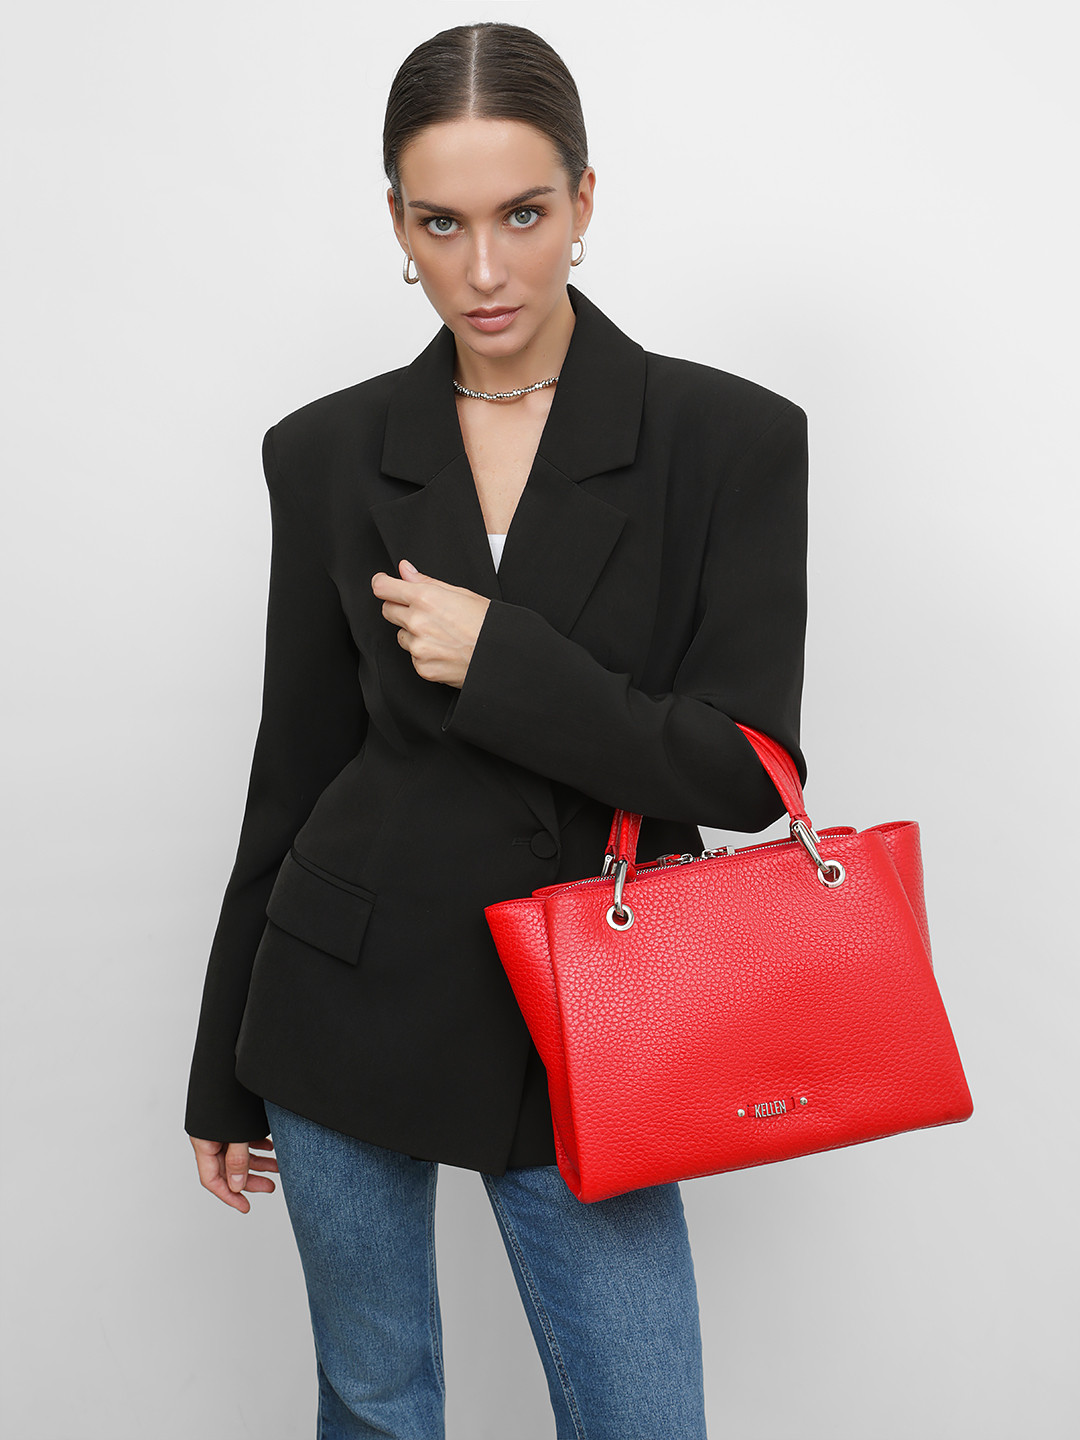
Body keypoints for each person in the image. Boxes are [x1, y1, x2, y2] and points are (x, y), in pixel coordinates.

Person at [186, 21, 807, 1439]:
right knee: (375, 1407)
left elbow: (745, 771)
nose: (482, 270)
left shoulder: (731, 438)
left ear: (585, 200)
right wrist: (223, 1062)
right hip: (345, 995)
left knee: (644, 1417)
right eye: (440, 223)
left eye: (522, 215)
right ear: (395, 222)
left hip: (595, 1013)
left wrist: (502, 659)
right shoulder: (325, 451)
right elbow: (293, 769)